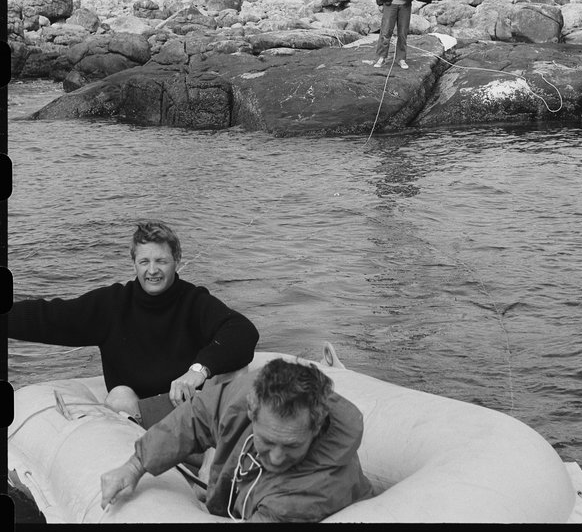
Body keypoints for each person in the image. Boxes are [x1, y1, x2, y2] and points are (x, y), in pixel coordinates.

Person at [8, 220, 260, 427]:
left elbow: (241, 331)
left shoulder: (194, 301)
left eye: (161, 261)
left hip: (190, 412)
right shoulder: (113, 304)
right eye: (144, 262)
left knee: (234, 369)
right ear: (134, 264)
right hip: (137, 417)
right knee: (119, 395)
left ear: (177, 261)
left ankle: (212, 474)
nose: (153, 270)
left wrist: (197, 371)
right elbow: (49, 317)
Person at [100, 357, 374, 523]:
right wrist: (135, 465)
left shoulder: (314, 492)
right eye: (268, 441)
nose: (277, 457)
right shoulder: (243, 394)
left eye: (291, 445)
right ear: (252, 409)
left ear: (317, 427)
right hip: (239, 482)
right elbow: (195, 417)